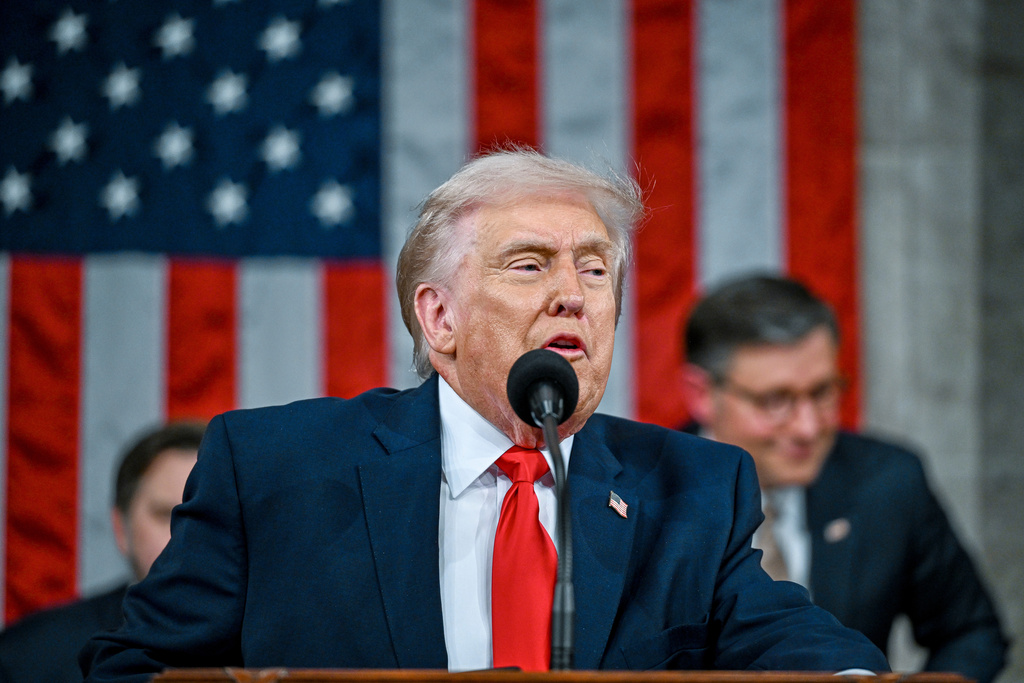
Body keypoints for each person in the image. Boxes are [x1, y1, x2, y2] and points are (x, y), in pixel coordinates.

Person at [81, 149, 888, 680]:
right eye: (529, 263)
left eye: (596, 268)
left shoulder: (693, 486)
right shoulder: (276, 467)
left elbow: (787, 639)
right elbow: (136, 666)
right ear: (439, 319)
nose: (573, 291)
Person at [680, 274, 1009, 682]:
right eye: (775, 401)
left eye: (822, 392)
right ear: (701, 395)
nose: (807, 428)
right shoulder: (648, 491)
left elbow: (971, 633)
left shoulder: (887, 482)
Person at [0, 421, 204, 683]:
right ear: (122, 528)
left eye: (210, 517)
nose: (189, 536)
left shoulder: (271, 648)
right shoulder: (29, 658)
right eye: (167, 514)